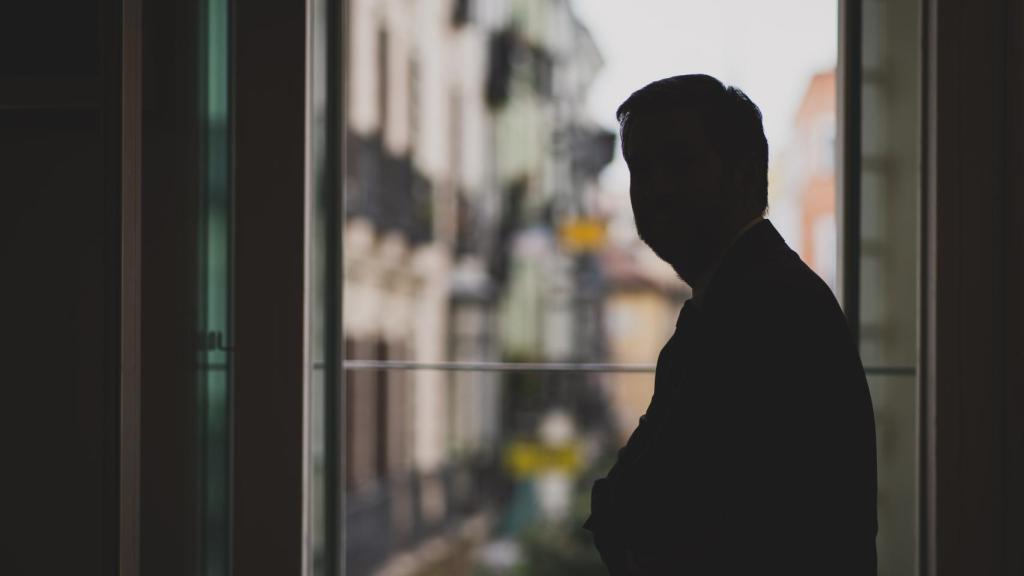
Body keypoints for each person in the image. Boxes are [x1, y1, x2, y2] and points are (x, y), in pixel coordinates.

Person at [583, 74, 877, 575]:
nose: (655, 188)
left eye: (679, 163)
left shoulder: (763, 311)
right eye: (641, 168)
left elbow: (651, 509)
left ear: (743, 175)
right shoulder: (747, 296)